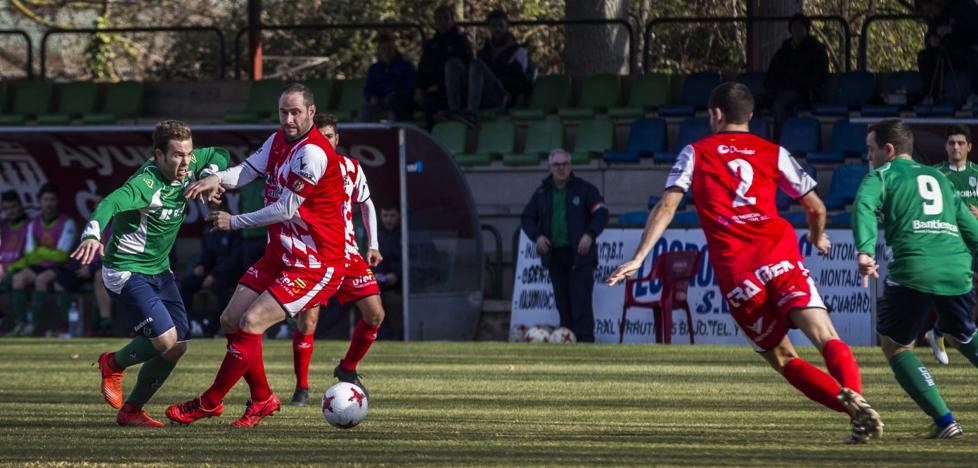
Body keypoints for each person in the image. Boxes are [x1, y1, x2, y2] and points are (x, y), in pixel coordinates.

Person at [607, 82, 883, 444]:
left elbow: (668, 207)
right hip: (780, 256)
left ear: (716, 115)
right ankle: (856, 398)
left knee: (784, 357)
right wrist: (816, 237)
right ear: (749, 115)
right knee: (826, 336)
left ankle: (852, 411)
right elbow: (815, 206)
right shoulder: (774, 152)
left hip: (738, 273)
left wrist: (639, 257)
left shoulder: (696, 152)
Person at [166, 83, 354, 428]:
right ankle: (263, 398)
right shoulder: (278, 139)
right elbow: (246, 172)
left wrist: (233, 221)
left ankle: (209, 402)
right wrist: (215, 179)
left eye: (295, 112)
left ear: (311, 113)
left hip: (315, 263)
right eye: (283, 111)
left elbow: (285, 208)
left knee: (251, 323)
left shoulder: (313, 153)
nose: (289, 118)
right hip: (279, 255)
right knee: (229, 321)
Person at [72, 120, 229, 427]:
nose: (186, 162)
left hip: (160, 270)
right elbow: (109, 203)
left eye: (188, 154)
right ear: (158, 155)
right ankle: (112, 363)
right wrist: (91, 234)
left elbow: (221, 154)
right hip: (126, 270)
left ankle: (131, 410)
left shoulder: (191, 161)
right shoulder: (145, 185)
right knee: (164, 339)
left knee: (178, 346)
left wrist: (210, 176)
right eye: (177, 156)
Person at [854, 118, 978, 439]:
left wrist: (865, 250)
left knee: (895, 346)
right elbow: (970, 227)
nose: (869, 157)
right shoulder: (940, 177)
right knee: (960, 335)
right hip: (956, 267)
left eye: (871, 150)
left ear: (889, 150)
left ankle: (945, 421)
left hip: (915, 267)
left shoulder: (880, 175)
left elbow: (864, 207)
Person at [286, 113, 385, 406]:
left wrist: (374, 244)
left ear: (337, 139)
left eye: (329, 137)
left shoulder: (351, 167)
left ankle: (348, 368)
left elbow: (366, 204)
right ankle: (302, 388)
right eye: (319, 137)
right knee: (307, 323)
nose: (324, 142)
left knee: (375, 314)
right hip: (315, 254)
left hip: (349, 254)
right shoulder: (303, 168)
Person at [521, 149, 608, 342]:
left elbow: (601, 214)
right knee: (563, 303)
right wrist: (537, 236)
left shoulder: (585, 189)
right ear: (549, 168)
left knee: (581, 302)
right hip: (555, 256)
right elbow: (527, 217)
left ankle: (585, 343)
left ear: (571, 166)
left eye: (564, 164)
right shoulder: (542, 192)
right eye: (556, 165)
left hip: (580, 255)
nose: (561, 169)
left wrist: (590, 234)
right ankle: (567, 342)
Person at [925, 124, 978, 364]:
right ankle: (940, 331)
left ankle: (938, 331)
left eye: (960, 142)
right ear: (945, 146)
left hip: (973, 242)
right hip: (947, 243)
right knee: (961, 291)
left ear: (969, 146)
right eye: (951, 143)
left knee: (968, 294)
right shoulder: (935, 175)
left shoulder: (977, 174)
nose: (956, 147)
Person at [7, 183, 77, 336]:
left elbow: (61, 256)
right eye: (45, 200)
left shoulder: (67, 223)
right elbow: (30, 255)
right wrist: (46, 253)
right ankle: (21, 323)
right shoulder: (33, 223)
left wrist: (40, 251)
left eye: (52, 200)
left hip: (63, 268)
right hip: (40, 265)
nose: (48, 204)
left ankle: (32, 326)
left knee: (41, 279)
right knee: (18, 279)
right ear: (40, 201)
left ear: (57, 201)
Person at [447, 9, 535, 127]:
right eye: (493, 26)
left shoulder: (518, 52)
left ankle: (472, 114)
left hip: (502, 96)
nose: (497, 29)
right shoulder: (484, 52)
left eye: (500, 25)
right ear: (489, 28)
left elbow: (526, 80)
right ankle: (454, 110)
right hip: (482, 94)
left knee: (477, 64)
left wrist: (508, 88)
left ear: (506, 27)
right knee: (453, 63)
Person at [54, 185, 115, 337]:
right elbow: (84, 247)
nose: (97, 207)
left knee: (100, 276)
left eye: (101, 203)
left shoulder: (118, 223)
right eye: (95, 204)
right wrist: (83, 263)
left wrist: (91, 267)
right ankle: (67, 325)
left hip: (108, 267)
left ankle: (104, 324)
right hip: (88, 265)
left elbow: (115, 256)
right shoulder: (93, 223)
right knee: (60, 280)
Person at [180, 200, 242, 337]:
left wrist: (214, 274)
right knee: (187, 284)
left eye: (217, 207)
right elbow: (207, 254)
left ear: (225, 207)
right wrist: (201, 265)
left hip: (227, 272)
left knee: (219, 287)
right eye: (211, 208)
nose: (214, 211)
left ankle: (216, 327)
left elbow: (234, 259)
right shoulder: (208, 228)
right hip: (210, 271)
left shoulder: (234, 226)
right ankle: (188, 323)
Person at [761, 13, 828, 132]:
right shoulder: (784, 50)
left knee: (780, 105)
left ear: (806, 29)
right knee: (755, 102)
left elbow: (819, 76)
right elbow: (772, 73)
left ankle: (781, 141)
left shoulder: (816, 49)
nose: (797, 29)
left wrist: (799, 84)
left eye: (800, 26)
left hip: (804, 92)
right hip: (780, 89)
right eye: (794, 26)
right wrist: (774, 85)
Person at [417, 4, 473, 129]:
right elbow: (422, 69)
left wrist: (439, 86)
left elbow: (465, 69)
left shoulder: (461, 42)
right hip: (431, 90)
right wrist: (419, 87)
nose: (443, 22)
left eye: (446, 18)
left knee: (431, 103)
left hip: (454, 91)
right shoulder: (430, 45)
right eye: (439, 19)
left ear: (452, 20)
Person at [915, 0, 978, 105]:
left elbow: (974, 31)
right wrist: (931, 41)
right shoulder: (937, 17)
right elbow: (929, 35)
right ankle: (930, 95)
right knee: (924, 56)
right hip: (946, 55)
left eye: (930, 9)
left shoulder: (967, 6)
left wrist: (953, 30)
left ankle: (976, 94)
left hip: (967, 53)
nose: (931, 14)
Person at [358, 33, 417, 122]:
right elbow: (368, 88)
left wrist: (395, 93)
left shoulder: (405, 66)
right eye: (384, 49)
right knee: (364, 111)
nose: (387, 52)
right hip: (379, 102)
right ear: (379, 51)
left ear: (395, 49)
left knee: (395, 107)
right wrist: (371, 97)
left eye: (390, 48)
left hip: (399, 101)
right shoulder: (374, 69)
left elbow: (410, 85)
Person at [0, 190, 31, 336]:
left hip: (22, 268)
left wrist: (11, 268)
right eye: (6, 208)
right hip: (3, 269)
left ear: (20, 206)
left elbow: (31, 255)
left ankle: (22, 323)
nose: (10, 211)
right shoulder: (3, 226)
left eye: (13, 207)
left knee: (13, 278)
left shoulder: (30, 225)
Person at [374, 203, 405, 339]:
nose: (388, 220)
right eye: (385, 216)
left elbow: (411, 261)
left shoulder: (406, 235)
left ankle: (396, 336)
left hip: (403, 284)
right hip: (382, 283)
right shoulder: (377, 237)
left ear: (399, 216)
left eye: (392, 215)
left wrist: (398, 275)